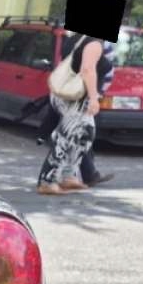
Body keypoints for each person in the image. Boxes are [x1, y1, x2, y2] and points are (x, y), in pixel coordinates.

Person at [37, 34, 114, 195]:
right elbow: (87, 69)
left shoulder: (77, 38)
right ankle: (47, 181)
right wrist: (93, 98)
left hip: (69, 96)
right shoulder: (93, 43)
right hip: (76, 98)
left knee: (84, 136)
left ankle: (68, 176)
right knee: (67, 138)